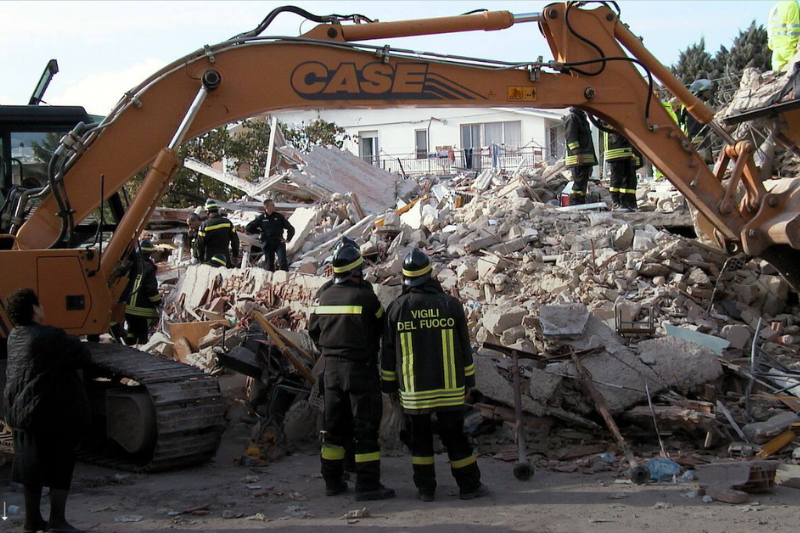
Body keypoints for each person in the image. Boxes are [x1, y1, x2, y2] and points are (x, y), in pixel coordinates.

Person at [381, 249, 488, 502]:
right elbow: (465, 349)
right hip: (450, 389)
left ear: (405, 279)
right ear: (430, 275)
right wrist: (468, 383)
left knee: (420, 442)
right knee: (456, 438)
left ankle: (426, 490)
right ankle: (469, 486)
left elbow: (387, 355)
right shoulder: (450, 305)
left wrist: (389, 387)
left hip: (413, 392)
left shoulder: (396, 309)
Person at [308, 240, 395, 502]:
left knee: (333, 428)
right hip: (361, 370)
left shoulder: (321, 298)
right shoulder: (366, 298)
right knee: (365, 428)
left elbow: (313, 331)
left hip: (331, 371)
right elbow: (383, 330)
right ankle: (368, 485)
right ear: (356, 272)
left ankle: (333, 482)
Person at [4, 288, 91, 533]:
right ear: (34, 309)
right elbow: (83, 356)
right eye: (40, 305)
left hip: (21, 412)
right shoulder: (49, 337)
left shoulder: (15, 336)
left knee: (31, 468)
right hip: (49, 412)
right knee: (60, 465)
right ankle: (57, 520)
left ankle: (32, 520)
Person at [123, 240, 162, 345]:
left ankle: (128, 347)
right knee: (142, 334)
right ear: (149, 254)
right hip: (142, 310)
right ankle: (141, 352)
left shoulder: (131, 265)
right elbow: (151, 290)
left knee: (131, 330)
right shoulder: (148, 268)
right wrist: (159, 302)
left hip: (127, 308)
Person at [246, 199, 295, 272]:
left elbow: (291, 228)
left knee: (282, 262)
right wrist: (259, 232)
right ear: (266, 207)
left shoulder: (279, 217)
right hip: (267, 243)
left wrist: (288, 239)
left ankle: (285, 279)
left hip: (279, 242)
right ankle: (270, 281)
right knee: (269, 265)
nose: (274, 207)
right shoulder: (261, 218)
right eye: (272, 205)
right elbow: (248, 227)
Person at [563, 107, 597, 205]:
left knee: (582, 184)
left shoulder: (581, 117)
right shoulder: (572, 118)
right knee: (578, 184)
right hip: (577, 159)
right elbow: (571, 137)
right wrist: (577, 153)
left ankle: (580, 204)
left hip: (585, 158)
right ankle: (575, 204)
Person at [603, 126, 640, 212]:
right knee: (616, 179)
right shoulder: (610, 115)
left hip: (624, 149)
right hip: (616, 150)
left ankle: (625, 203)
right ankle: (615, 203)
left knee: (627, 179)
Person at [678, 79, 714, 165]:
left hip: (702, 145)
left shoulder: (694, 105)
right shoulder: (695, 108)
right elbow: (694, 129)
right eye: (707, 91)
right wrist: (699, 147)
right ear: (702, 92)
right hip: (699, 147)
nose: (709, 93)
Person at [197, 199, 239, 268]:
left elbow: (200, 245)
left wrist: (201, 260)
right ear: (217, 210)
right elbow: (235, 241)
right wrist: (235, 256)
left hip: (210, 261)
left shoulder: (204, 226)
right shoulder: (228, 223)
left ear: (208, 212)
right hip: (225, 259)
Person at [768, 1, 800, 72]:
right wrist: (795, 45)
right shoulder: (792, 4)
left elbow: (770, 31)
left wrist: (774, 46)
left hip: (776, 51)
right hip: (789, 48)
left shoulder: (774, 8)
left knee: (779, 77)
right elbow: (794, 28)